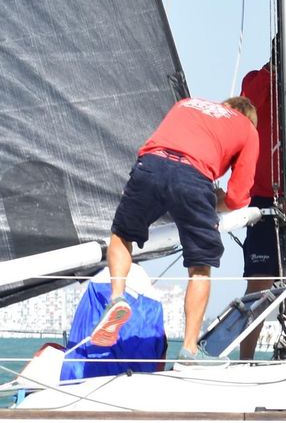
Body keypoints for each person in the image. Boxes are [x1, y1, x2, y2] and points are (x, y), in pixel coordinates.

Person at [89, 97, 259, 363]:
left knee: (122, 235)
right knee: (201, 266)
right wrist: (215, 199)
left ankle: (117, 297)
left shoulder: (187, 104)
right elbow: (238, 198)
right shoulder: (248, 129)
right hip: (193, 177)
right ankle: (189, 350)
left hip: (150, 165)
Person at [238, 45, 283, 361]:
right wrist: (272, 72)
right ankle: (246, 359)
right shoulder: (257, 80)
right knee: (260, 284)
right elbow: (246, 116)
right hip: (264, 198)